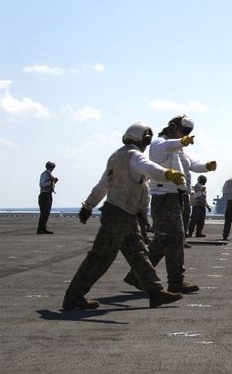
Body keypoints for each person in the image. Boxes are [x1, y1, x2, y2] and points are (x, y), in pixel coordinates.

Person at [62, 122, 186, 310]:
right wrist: (167, 174)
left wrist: (88, 206)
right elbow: (150, 168)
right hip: (119, 216)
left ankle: (156, 293)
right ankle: (74, 296)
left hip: (124, 215)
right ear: (143, 140)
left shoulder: (116, 156)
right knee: (101, 258)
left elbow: (103, 185)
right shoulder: (133, 156)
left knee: (138, 255)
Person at [126, 115, 216, 294]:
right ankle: (176, 281)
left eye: (188, 133)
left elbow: (191, 164)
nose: (185, 135)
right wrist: (181, 142)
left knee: (163, 239)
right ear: (173, 127)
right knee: (175, 239)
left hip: (177, 196)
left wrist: (206, 166)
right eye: (183, 131)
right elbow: (168, 146)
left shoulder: (180, 150)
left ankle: (138, 275)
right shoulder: (159, 144)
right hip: (164, 196)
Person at [37, 161, 58, 234]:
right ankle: (40, 229)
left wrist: (54, 182)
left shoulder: (49, 175)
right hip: (44, 195)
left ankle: (43, 228)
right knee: (44, 212)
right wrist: (50, 181)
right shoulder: (44, 174)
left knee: (47, 212)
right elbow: (41, 184)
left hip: (48, 194)